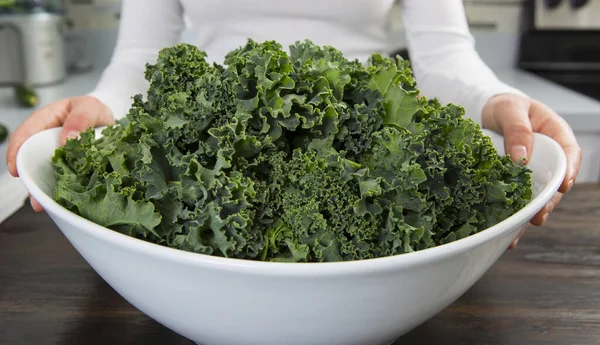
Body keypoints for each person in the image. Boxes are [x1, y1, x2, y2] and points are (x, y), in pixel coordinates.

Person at [5, 0, 581, 248]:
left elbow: (445, 56)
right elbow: (142, 58)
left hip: (364, 139)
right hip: (212, 141)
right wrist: (103, 106)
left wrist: (498, 98)